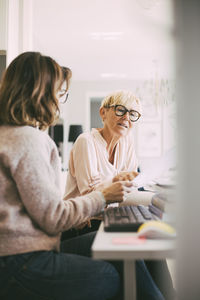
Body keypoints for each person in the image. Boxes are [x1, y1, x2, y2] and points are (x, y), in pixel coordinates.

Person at [0, 52, 166, 300]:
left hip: (25, 251)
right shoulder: (29, 140)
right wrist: (103, 196)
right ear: (41, 93)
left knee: (130, 248)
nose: (60, 102)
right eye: (60, 93)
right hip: (20, 262)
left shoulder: (13, 135)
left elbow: (46, 212)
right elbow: (55, 217)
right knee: (111, 274)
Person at [64, 90, 175, 300]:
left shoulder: (127, 144)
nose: (126, 117)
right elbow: (91, 196)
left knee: (148, 235)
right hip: (82, 224)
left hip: (110, 217)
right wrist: (127, 187)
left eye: (133, 114)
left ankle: (170, 295)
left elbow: (128, 190)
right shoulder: (85, 141)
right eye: (121, 110)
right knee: (132, 245)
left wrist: (154, 198)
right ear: (103, 113)